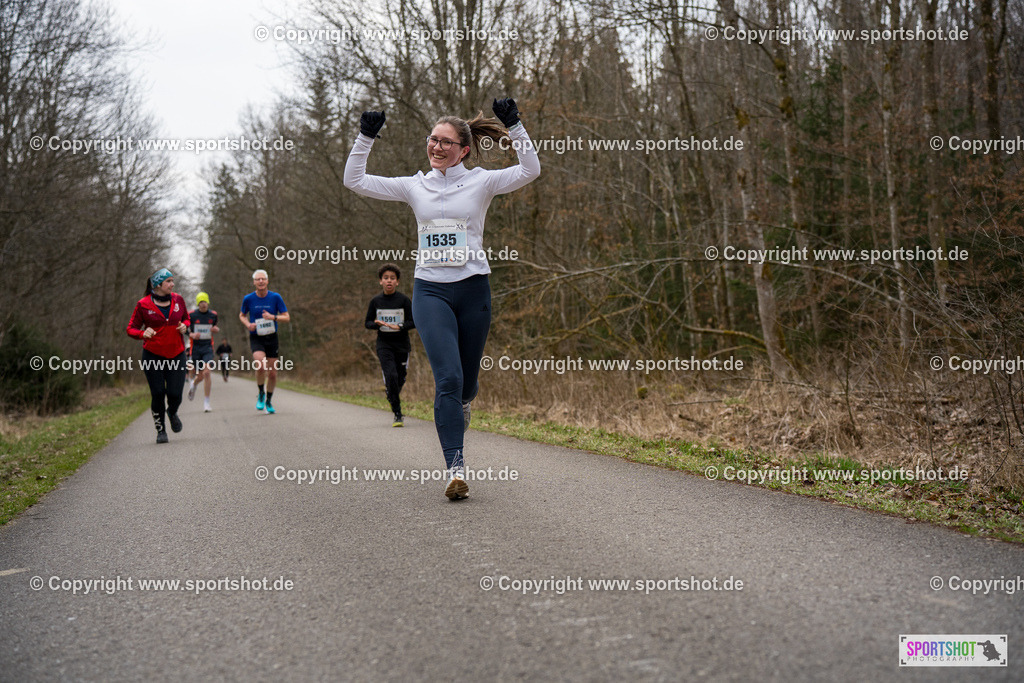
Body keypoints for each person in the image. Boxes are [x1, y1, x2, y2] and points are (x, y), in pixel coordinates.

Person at [344, 97, 540, 499]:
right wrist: (365, 136)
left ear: (464, 150)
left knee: (466, 383)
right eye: (432, 139)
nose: (436, 146)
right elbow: (355, 180)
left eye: (445, 142)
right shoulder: (415, 186)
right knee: (447, 378)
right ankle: (455, 469)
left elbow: (530, 169)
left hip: (473, 291)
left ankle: (465, 402)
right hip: (431, 292)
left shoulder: (482, 181)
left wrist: (515, 125)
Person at [126, 268, 190, 443]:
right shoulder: (143, 304)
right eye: (168, 281)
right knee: (158, 392)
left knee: (175, 393)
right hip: (153, 355)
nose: (172, 284)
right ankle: (160, 430)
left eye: (172, 280)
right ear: (158, 285)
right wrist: (141, 334)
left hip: (177, 354)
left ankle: (172, 411)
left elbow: (186, 319)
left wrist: (185, 325)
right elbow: (130, 328)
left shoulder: (178, 300)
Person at [365, 263, 415, 427]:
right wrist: (377, 324)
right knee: (391, 376)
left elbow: (413, 322)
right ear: (380, 281)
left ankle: (391, 393)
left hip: (402, 345)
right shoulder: (375, 301)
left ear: (397, 282)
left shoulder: (404, 300)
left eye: (392, 278)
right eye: (386, 278)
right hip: (384, 344)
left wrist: (399, 326)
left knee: (400, 378)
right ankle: (397, 413)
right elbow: (367, 323)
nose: (389, 281)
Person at [239, 269, 289, 414]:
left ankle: (268, 400)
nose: (260, 281)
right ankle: (261, 393)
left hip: (272, 337)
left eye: (263, 279)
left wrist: (273, 317)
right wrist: (248, 324)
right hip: (256, 336)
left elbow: (286, 317)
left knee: (272, 373)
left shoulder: (275, 297)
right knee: (260, 365)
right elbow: (241, 315)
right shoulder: (248, 299)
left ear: (267, 281)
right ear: (254, 282)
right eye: (257, 279)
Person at [187, 292, 219, 412]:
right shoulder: (191, 315)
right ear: (198, 303)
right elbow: (184, 328)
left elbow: (215, 327)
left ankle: (206, 402)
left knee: (206, 373)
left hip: (208, 348)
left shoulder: (213, 315)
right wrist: (191, 334)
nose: (203, 304)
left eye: (205, 301)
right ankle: (194, 384)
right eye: (200, 302)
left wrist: (216, 329)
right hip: (195, 348)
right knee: (199, 376)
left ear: (208, 302)